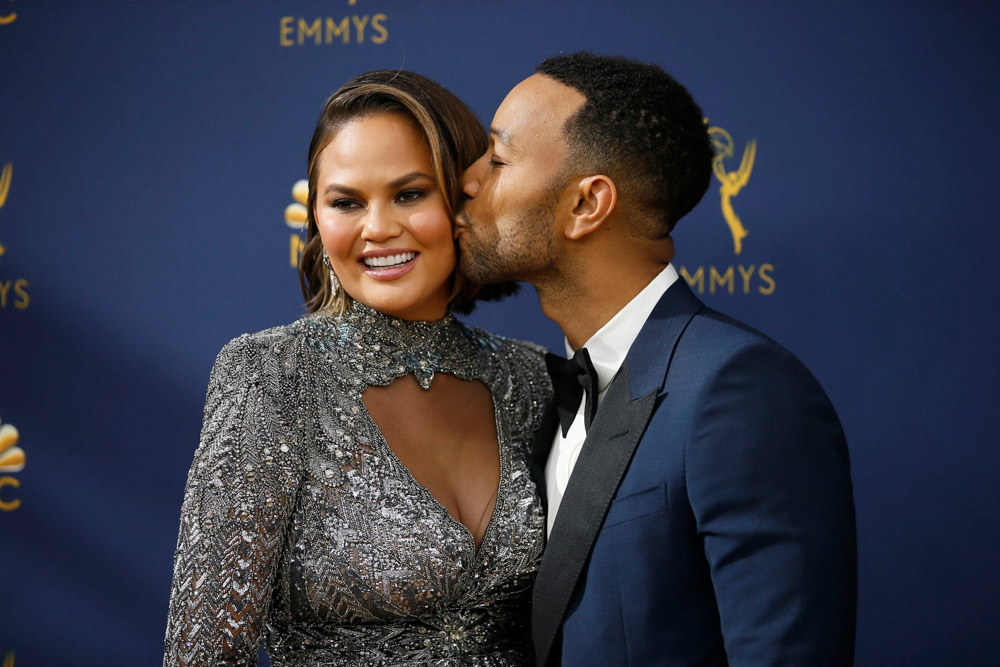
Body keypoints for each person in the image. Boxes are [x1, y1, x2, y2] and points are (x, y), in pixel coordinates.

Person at [457, 52, 857, 666]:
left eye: (499, 159)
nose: (467, 179)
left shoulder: (738, 390)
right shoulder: (536, 392)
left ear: (587, 205)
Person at [163, 70, 551, 666]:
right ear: (316, 223)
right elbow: (205, 654)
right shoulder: (273, 375)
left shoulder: (531, 379)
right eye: (346, 202)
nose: (377, 227)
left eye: (410, 193)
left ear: (463, 200)